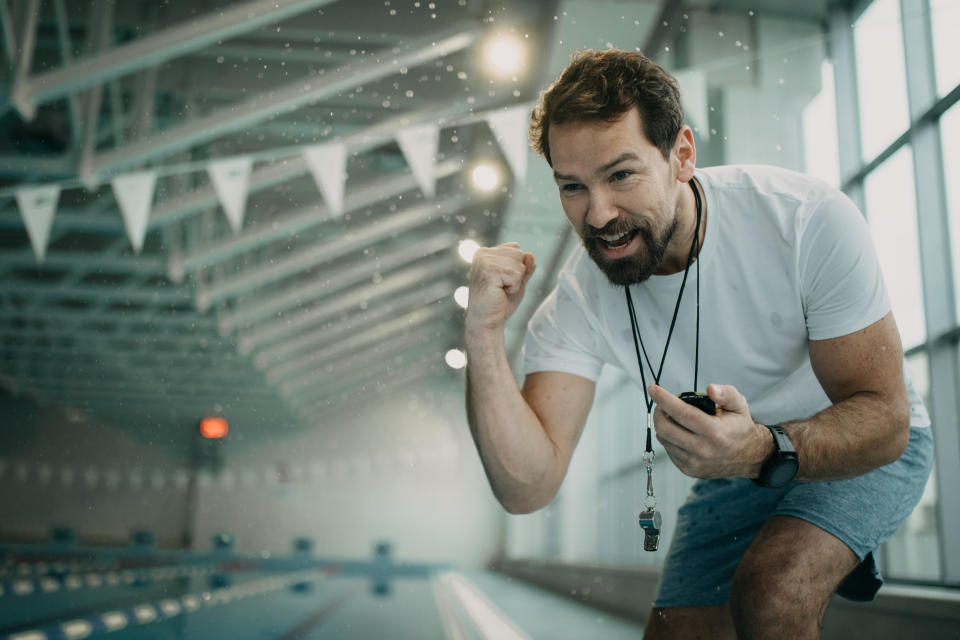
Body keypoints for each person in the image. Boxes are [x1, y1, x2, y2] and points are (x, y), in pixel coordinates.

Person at [463, 48, 933, 640]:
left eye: (621, 175)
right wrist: (482, 335)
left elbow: (885, 421)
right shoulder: (578, 302)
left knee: (772, 593)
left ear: (681, 155)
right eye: (573, 187)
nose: (599, 214)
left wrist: (762, 448)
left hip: (860, 445)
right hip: (734, 468)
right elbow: (526, 488)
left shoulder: (803, 220)